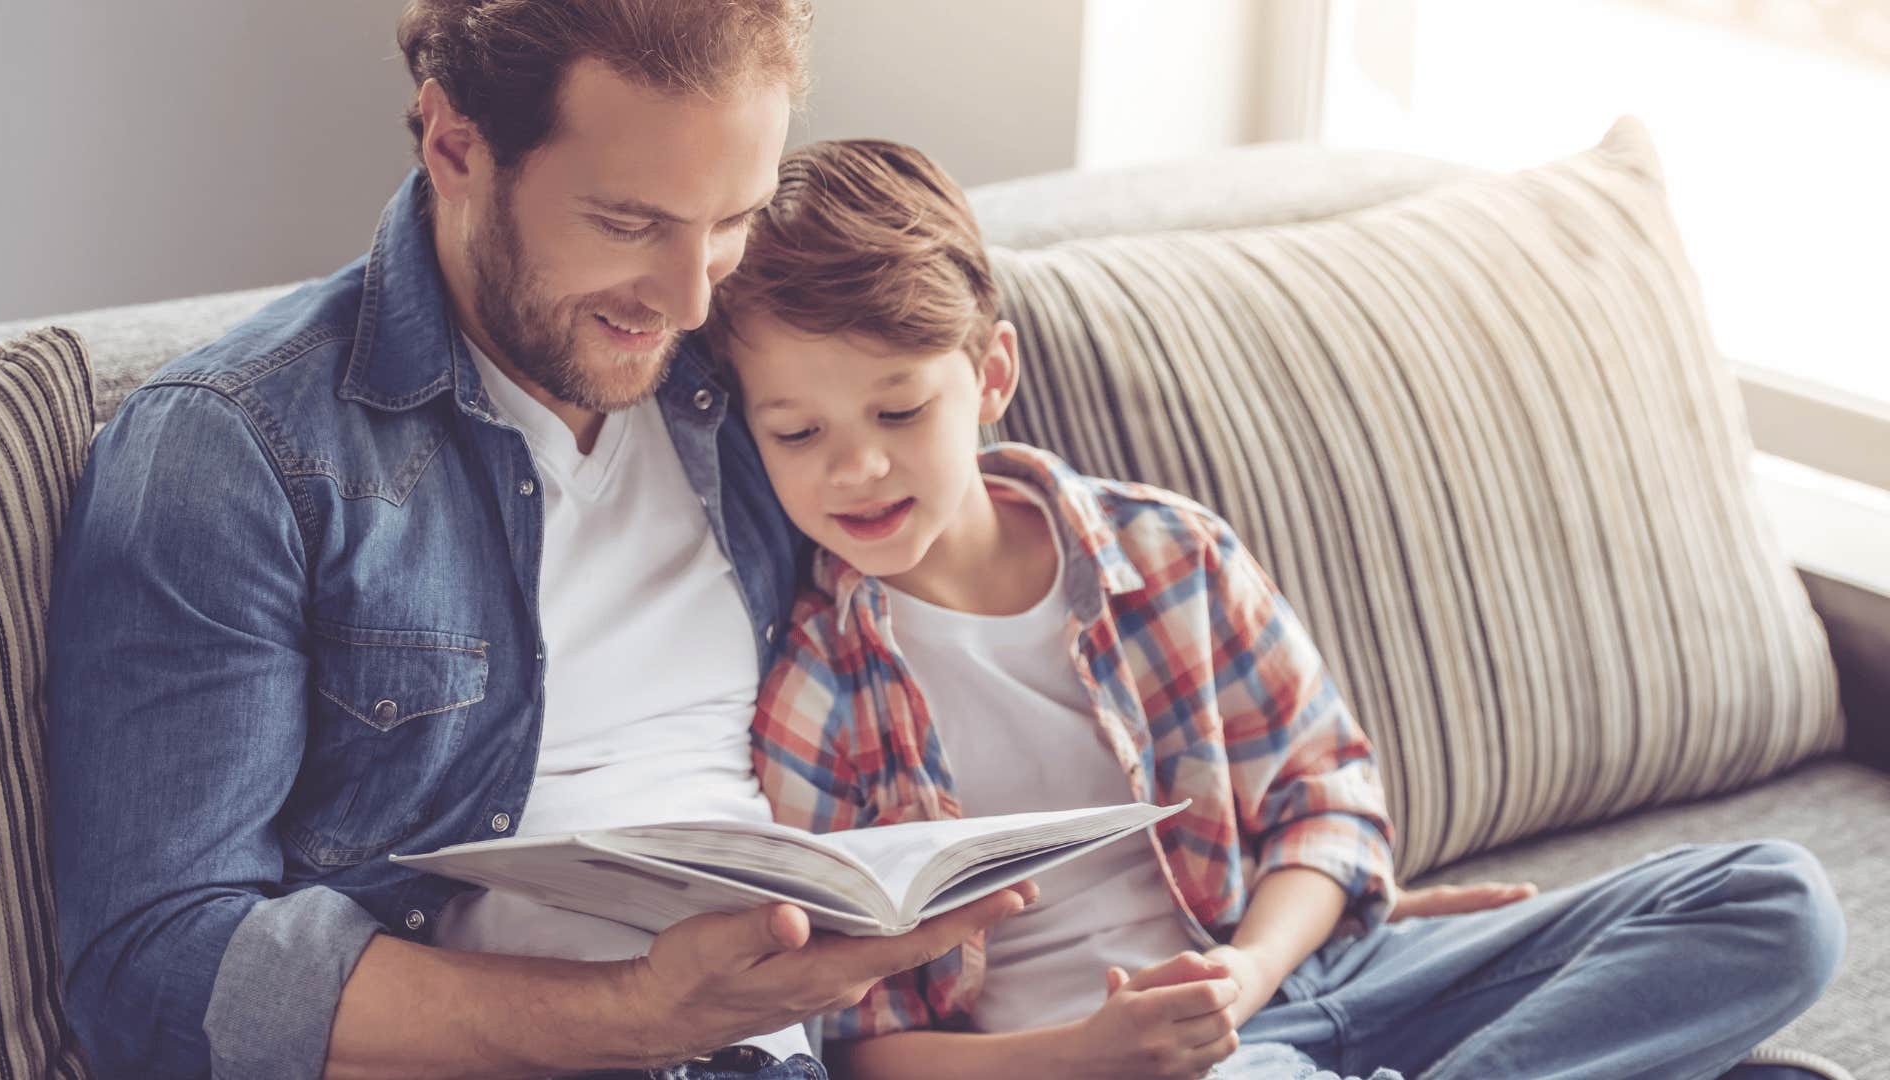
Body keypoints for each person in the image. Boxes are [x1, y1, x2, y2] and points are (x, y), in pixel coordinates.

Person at [43, 6, 1039, 1078]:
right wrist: (642, 1012)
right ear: (456, 147)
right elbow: (154, 967)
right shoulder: (236, 450)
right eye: (629, 223)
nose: (690, 295)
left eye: (732, 219)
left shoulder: (753, 378)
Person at [713, 138, 1848, 1080]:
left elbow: (1331, 809)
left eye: (900, 410)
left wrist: (1252, 970)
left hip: (1310, 976)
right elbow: (856, 1043)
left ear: (991, 376)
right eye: (799, 434)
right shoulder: (818, 696)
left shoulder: (1168, 555)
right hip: (1103, 1063)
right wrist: (1088, 1053)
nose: (857, 469)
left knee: (1773, 901)